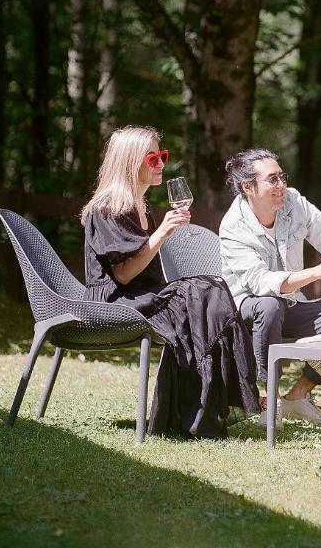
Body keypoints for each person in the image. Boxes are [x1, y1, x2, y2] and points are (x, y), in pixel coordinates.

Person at [81, 126, 260, 439]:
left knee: (210, 289)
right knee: (203, 294)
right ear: (129, 162)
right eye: (153, 158)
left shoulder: (144, 206)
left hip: (146, 295)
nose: (161, 163)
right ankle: (196, 416)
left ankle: (197, 414)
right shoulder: (105, 210)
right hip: (115, 301)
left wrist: (163, 232)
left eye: (161, 156)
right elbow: (122, 275)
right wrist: (162, 233)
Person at [218, 148, 321, 426]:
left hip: (291, 303)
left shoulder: (294, 203)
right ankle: (271, 401)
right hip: (245, 308)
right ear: (248, 187)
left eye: (282, 177)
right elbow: (261, 283)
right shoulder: (233, 226)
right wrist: (316, 273)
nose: (281, 185)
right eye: (272, 179)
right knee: (269, 304)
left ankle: (297, 397)